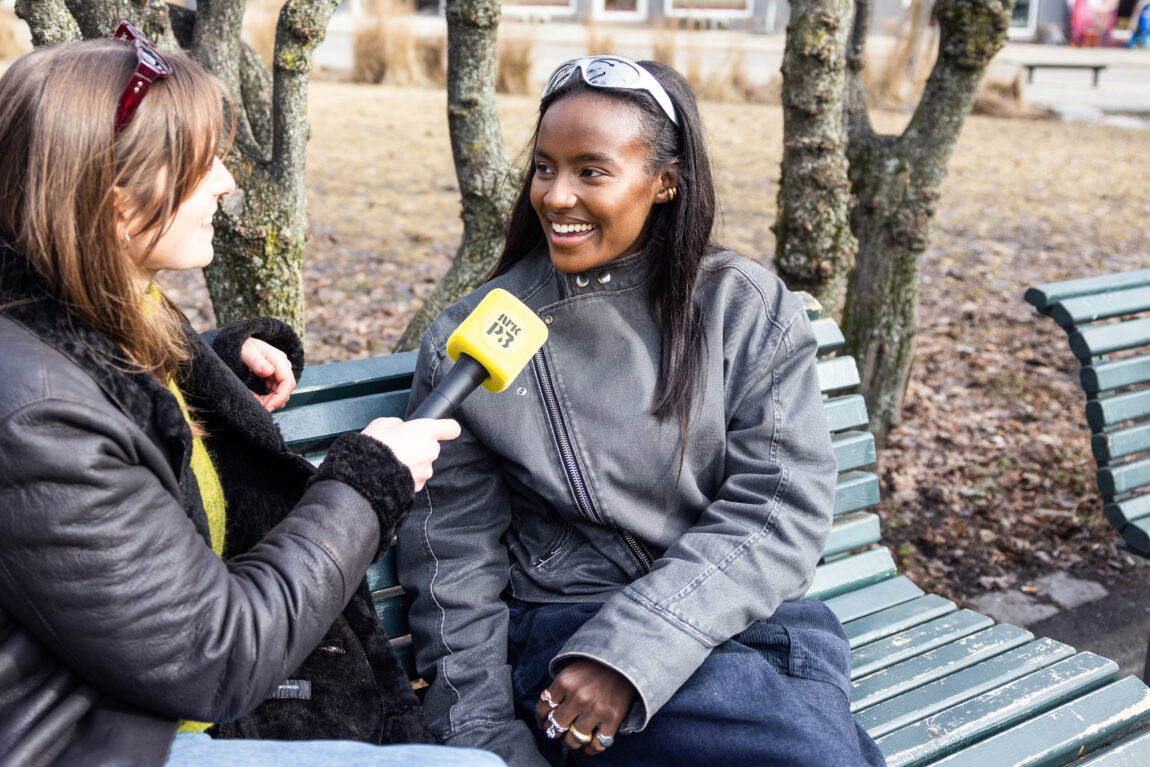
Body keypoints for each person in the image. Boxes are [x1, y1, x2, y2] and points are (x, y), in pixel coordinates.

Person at [0, 25, 506, 767]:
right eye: (201, 164)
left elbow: (109, 408)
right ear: (115, 203)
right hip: (99, 744)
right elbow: (217, 655)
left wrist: (204, 373)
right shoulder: (35, 417)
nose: (228, 182)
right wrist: (365, 485)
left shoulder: (87, 313)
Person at [398, 56, 886, 766]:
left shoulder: (743, 307)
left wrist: (634, 651)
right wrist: (484, 738)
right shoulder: (470, 339)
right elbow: (452, 563)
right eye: (543, 167)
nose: (556, 195)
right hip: (566, 656)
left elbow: (778, 507)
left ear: (665, 180)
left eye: (591, 171)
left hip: (733, 626)